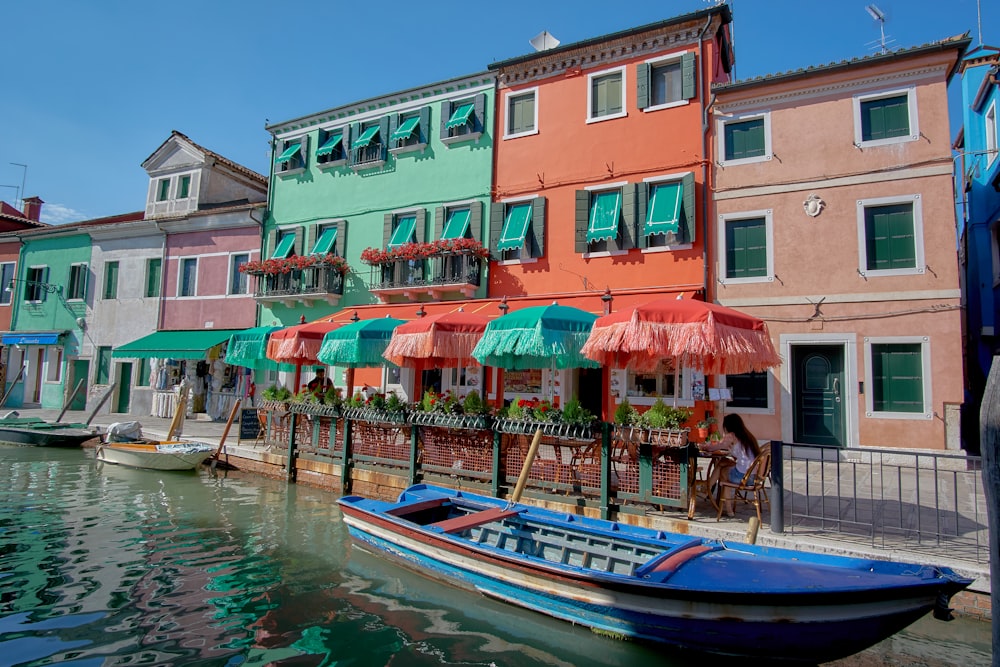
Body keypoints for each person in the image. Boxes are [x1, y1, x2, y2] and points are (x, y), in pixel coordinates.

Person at [700, 413, 761, 517]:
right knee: (722, 462)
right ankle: (707, 489)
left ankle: (724, 506)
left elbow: (715, 447)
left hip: (743, 477)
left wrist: (704, 447)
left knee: (722, 472)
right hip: (754, 476)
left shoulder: (732, 436)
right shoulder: (747, 436)